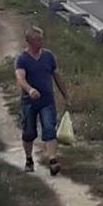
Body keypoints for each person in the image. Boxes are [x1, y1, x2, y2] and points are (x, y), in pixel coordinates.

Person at [15, 27, 70, 176]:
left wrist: (65, 95)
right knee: (29, 132)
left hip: (47, 100)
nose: (42, 41)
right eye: (39, 39)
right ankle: (28, 159)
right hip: (29, 102)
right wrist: (30, 90)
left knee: (49, 129)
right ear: (30, 41)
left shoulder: (48, 56)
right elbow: (20, 78)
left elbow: (57, 76)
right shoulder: (22, 59)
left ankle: (53, 160)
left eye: (42, 38)